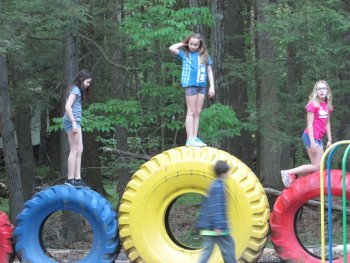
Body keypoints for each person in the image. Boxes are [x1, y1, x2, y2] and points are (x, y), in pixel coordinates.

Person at [281, 80, 333, 188]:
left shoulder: (327, 105)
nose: (321, 91)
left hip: (319, 138)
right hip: (310, 137)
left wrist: (329, 140)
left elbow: (327, 123)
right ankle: (289, 172)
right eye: (319, 89)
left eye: (324, 88)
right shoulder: (312, 104)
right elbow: (309, 125)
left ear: (327, 90)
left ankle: (306, 183)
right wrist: (312, 143)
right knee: (316, 166)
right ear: (315, 91)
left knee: (320, 166)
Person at [169, 33, 215, 147]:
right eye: (191, 44)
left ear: (200, 45)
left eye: (195, 44)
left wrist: (212, 86)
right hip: (190, 85)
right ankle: (189, 139)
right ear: (188, 43)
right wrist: (183, 43)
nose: (193, 46)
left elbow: (209, 71)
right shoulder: (185, 53)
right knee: (191, 111)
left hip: (202, 86)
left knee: (198, 112)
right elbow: (171, 48)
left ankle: (195, 137)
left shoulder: (204, 55)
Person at [197, 160, 236, 263]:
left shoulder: (214, 184)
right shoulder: (218, 186)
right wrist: (218, 226)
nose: (228, 174)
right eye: (228, 171)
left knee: (207, 252)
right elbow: (216, 207)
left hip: (208, 227)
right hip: (214, 228)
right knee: (229, 245)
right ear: (224, 172)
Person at [62, 69, 92, 188]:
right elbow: (67, 106)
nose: (88, 85)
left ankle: (77, 178)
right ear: (82, 79)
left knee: (79, 149)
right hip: (72, 122)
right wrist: (74, 123)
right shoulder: (75, 90)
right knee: (74, 150)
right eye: (88, 82)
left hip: (76, 122)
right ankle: (70, 179)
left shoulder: (78, 90)